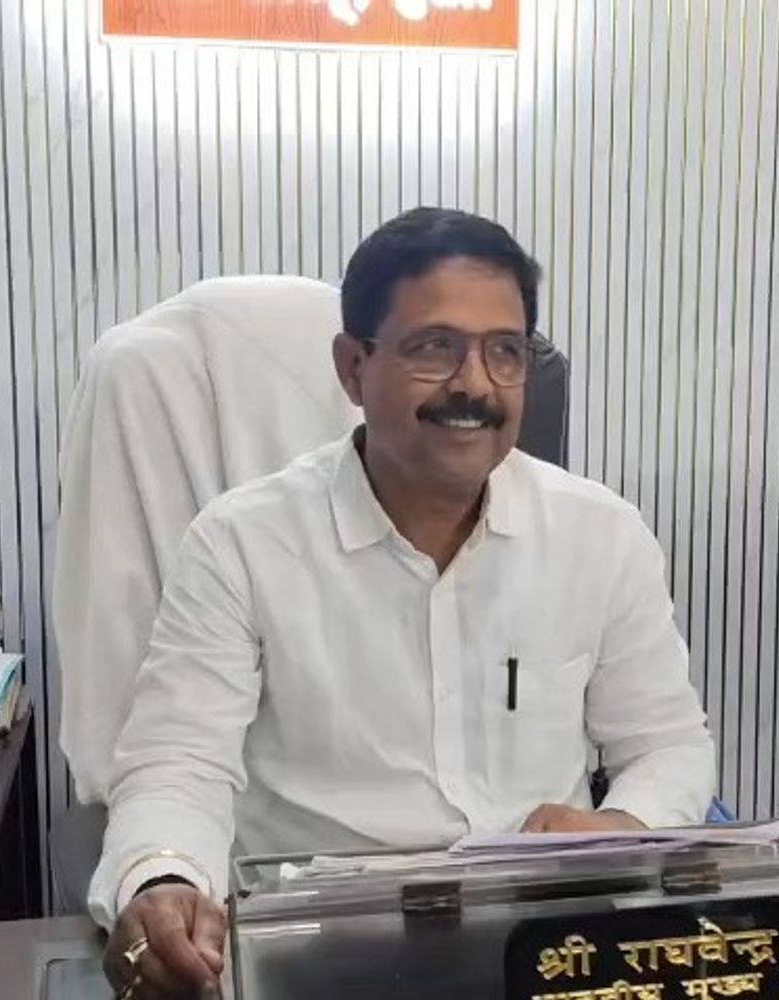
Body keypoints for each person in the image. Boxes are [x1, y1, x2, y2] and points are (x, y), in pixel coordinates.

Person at [93, 207, 715, 998]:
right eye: (434, 348)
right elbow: (179, 763)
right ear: (353, 367)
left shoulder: (602, 534)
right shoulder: (239, 543)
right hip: (318, 952)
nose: (475, 384)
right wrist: (164, 878)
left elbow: (667, 745)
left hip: (542, 948)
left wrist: (625, 826)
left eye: (505, 351)